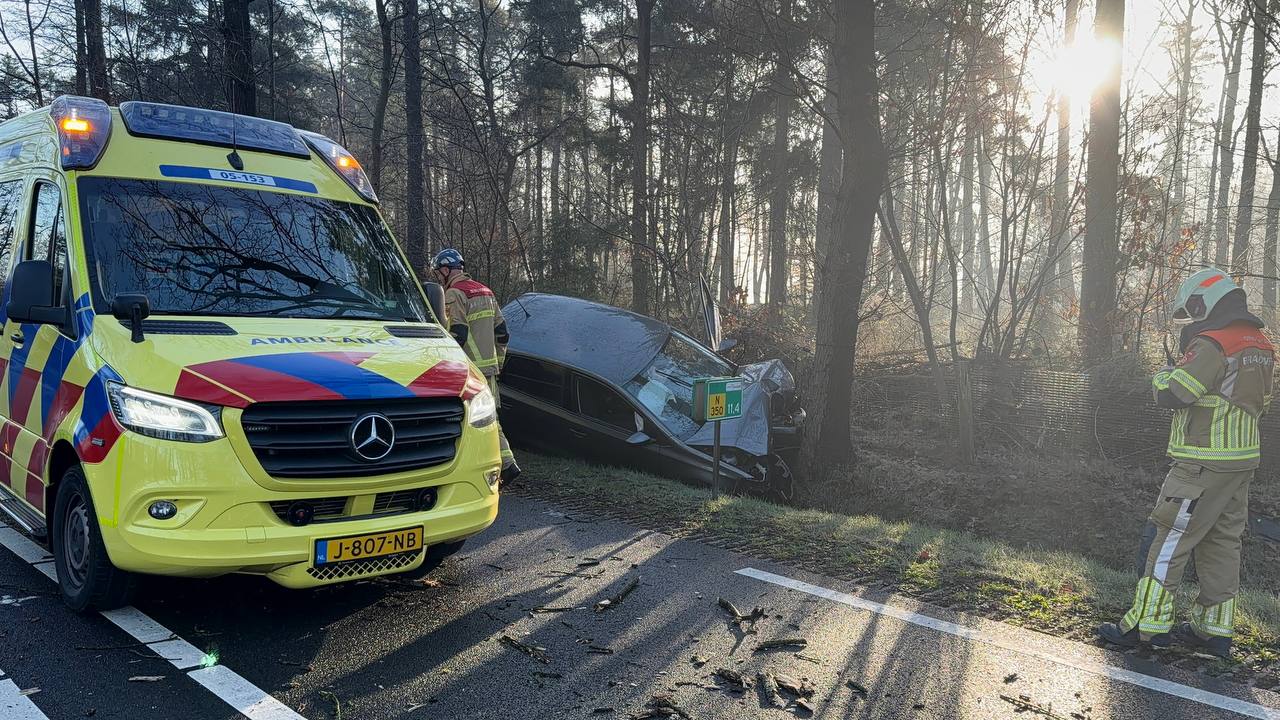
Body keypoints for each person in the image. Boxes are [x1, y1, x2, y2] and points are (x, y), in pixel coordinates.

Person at [1097, 268, 1274, 658]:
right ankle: (1214, 632)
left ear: (1207, 299)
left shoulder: (1212, 343)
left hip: (1201, 462)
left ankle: (1146, 626)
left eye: (1194, 308)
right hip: (1241, 461)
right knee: (1222, 543)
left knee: (1167, 540)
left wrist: (1162, 376)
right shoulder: (1260, 342)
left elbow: (1179, 392)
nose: (1194, 317)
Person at [430, 248, 520, 484]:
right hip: (488, 370)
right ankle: (505, 464)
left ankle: (505, 466)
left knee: (471, 422)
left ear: (447, 270)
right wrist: (497, 363)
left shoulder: (453, 294)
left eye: (439, 272)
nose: (438, 277)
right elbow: (503, 333)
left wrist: (442, 363)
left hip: (467, 369)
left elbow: (456, 333)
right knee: (489, 419)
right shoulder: (485, 291)